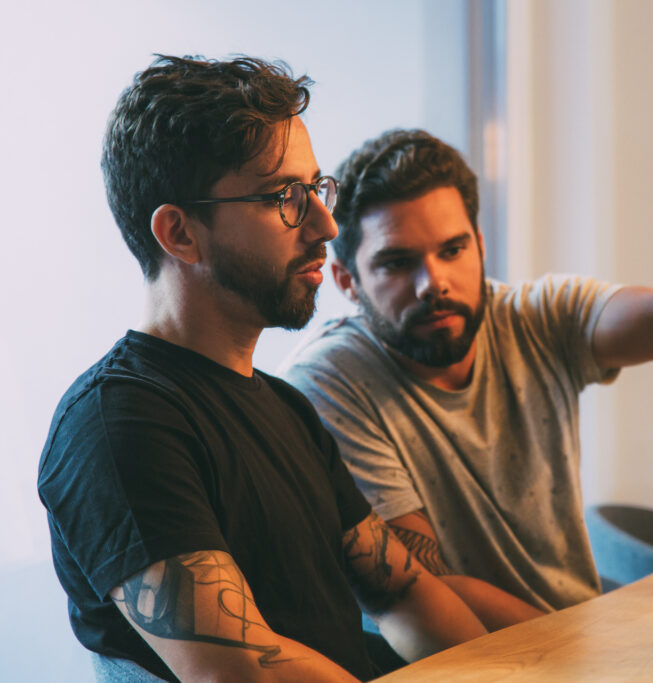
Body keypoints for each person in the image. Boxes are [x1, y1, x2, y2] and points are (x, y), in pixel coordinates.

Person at [278, 128, 653, 623]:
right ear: (346, 282)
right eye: (396, 262)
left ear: (482, 245)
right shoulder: (329, 386)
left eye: (453, 249)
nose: (432, 281)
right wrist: (589, 650)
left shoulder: (534, 318)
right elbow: (433, 590)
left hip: (579, 640)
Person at [37, 60, 487, 683]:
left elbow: (404, 594)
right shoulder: (117, 425)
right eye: (284, 199)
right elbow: (244, 670)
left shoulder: (285, 406)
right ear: (180, 234)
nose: (326, 226)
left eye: (315, 190)